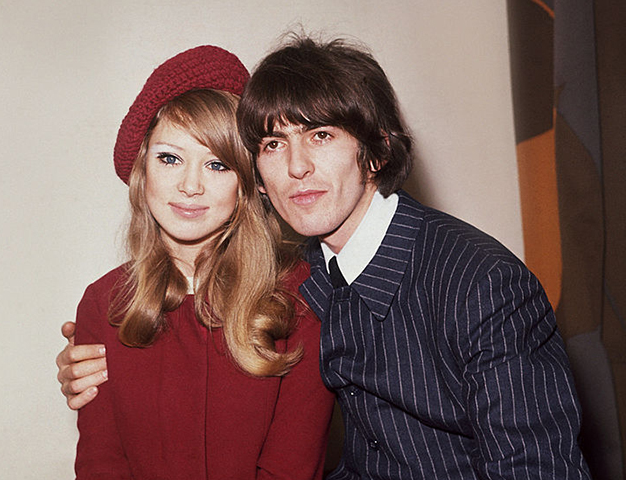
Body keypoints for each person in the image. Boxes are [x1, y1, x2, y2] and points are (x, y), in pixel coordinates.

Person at [59, 36, 591, 479]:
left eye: (321, 135)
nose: (296, 167)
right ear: (259, 178)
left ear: (377, 151)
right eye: (273, 144)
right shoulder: (320, 274)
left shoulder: (479, 283)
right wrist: (91, 363)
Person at [68, 45, 334, 480]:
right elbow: (102, 464)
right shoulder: (104, 304)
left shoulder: (302, 298)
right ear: (142, 169)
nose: (190, 185)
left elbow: (291, 468)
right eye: (170, 158)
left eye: (217, 165)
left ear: (247, 184)